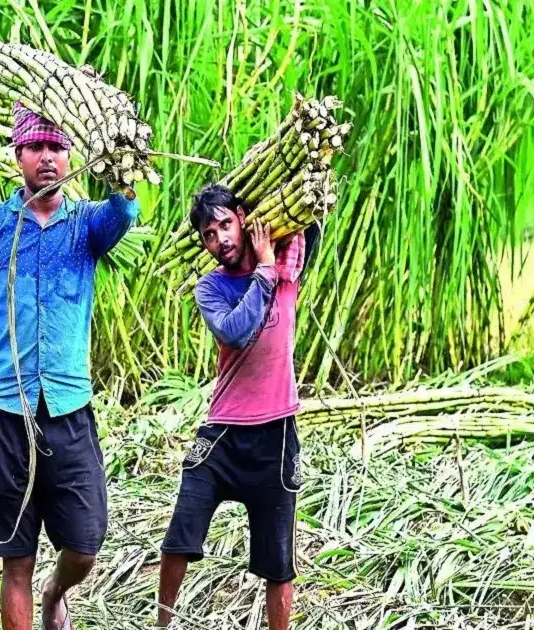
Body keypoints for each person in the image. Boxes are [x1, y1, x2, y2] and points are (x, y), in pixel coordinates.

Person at [0, 102, 139, 630]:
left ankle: (57, 592)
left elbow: (124, 213)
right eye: (36, 148)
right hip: (5, 411)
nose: (47, 158)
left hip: (69, 409)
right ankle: (34, 596)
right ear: (18, 155)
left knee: (86, 542)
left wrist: (122, 164)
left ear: (71, 154)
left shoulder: (88, 224)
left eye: (57, 146)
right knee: (16, 558)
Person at [156, 184, 321, 629]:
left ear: (244, 220)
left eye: (226, 224)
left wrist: (288, 195)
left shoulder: (288, 266)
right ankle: (162, 625)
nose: (220, 239)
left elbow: (312, 222)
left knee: (278, 561)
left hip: (277, 436)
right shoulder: (211, 287)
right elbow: (235, 331)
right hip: (222, 435)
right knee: (179, 536)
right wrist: (262, 271)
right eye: (209, 234)